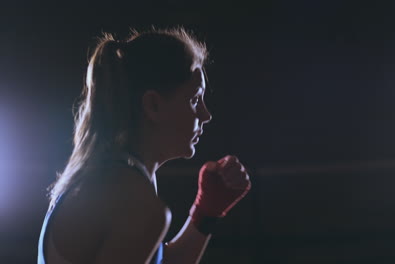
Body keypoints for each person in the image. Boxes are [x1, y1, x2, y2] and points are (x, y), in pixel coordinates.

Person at [37, 27, 251, 264]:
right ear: (153, 106)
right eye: (194, 100)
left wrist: (206, 212)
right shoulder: (133, 199)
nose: (205, 114)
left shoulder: (116, 177)